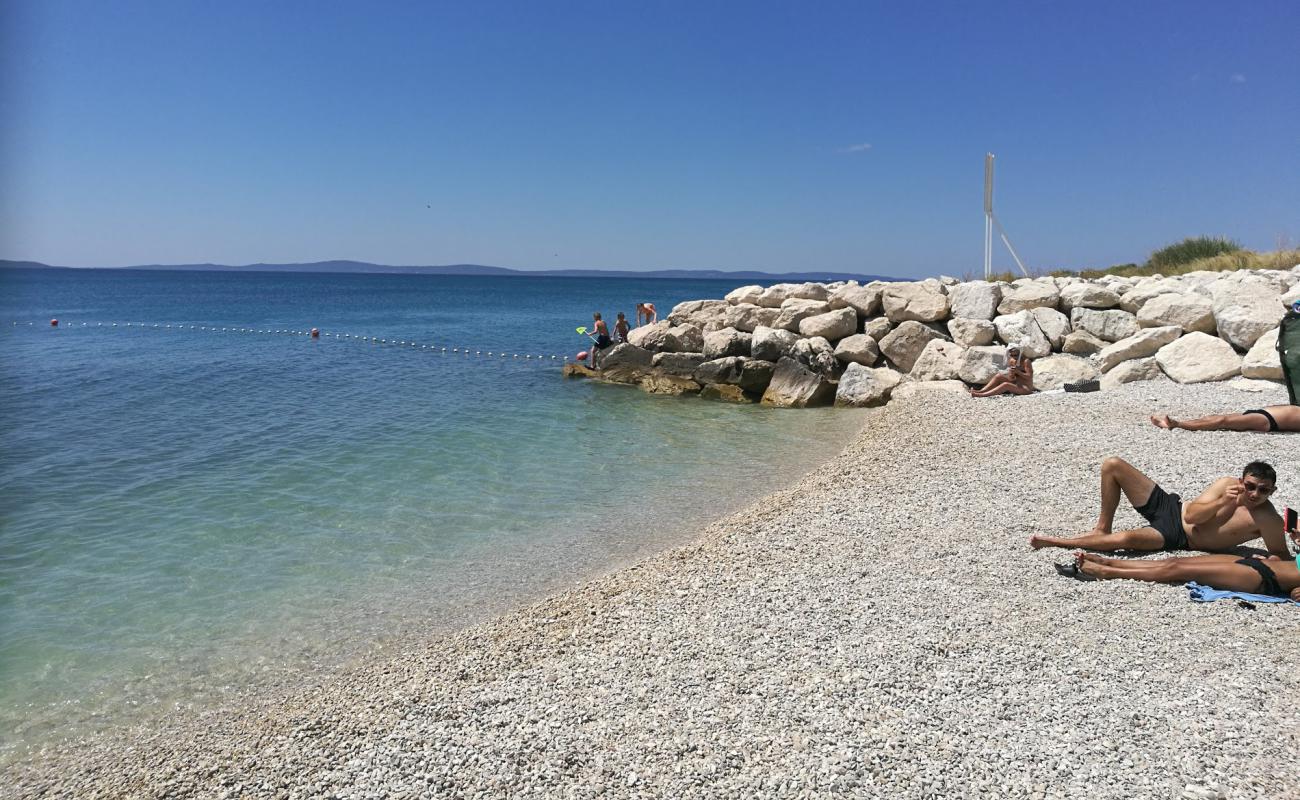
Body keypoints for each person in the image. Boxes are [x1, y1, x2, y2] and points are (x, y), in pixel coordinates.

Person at [1029, 458, 1287, 556]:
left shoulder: (1268, 519)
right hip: (1172, 508)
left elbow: (1279, 554)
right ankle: (1101, 528)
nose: (1255, 494)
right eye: (1251, 486)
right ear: (1242, 481)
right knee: (1112, 465)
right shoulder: (1226, 485)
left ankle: (1060, 542)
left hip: (1178, 538)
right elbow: (1195, 515)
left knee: (1126, 539)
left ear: (1272, 491)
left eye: (1263, 490)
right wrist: (1224, 500)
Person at [1063, 550, 1300, 601]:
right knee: (1175, 561)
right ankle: (1111, 561)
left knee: (1177, 571)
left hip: (1264, 580)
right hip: (1262, 565)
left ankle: (1107, 572)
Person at [1150, 404, 1300, 433]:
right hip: (1264, 412)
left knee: (1222, 421)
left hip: (1268, 420)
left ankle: (1178, 424)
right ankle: (1173, 423)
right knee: (1217, 417)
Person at [969, 345, 1034, 397]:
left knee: (1006, 385)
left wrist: (1018, 372)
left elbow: (1029, 377)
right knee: (999, 376)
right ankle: (981, 391)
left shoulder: (1026, 361)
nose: (1014, 357)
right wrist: (1012, 374)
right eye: (1012, 355)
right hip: (1017, 384)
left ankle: (982, 395)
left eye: (1016, 355)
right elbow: (1012, 378)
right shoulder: (1012, 361)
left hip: (1026, 388)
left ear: (1020, 353)